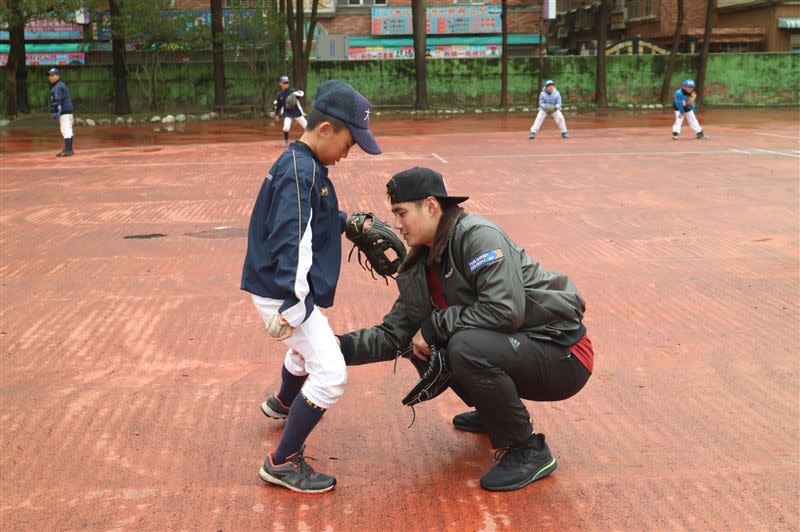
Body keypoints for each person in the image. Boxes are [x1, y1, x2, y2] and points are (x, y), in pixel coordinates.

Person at [337, 167, 594, 492]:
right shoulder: (420, 263)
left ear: (430, 205)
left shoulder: (477, 236)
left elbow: (505, 310)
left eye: (401, 213)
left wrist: (434, 327)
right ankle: (494, 412)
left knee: (463, 345)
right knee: (432, 342)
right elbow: (394, 335)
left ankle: (527, 450)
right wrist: (334, 349)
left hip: (564, 353)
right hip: (522, 347)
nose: (397, 225)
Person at [242, 80, 382, 493]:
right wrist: (295, 306)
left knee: (306, 350)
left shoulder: (303, 164)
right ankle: (281, 462)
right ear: (325, 130)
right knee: (331, 372)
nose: (348, 152)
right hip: (284, 292)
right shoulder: (301, 172)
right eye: (349, 143)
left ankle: (284, 402)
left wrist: (344, 223)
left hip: (282, 288)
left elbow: (309, 219)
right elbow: (291, 238)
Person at [48, 68, 75, 157]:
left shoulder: (58, 86)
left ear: (58, 76)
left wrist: (54, 113)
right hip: (68, 111)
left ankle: (68, 150)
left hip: (64, 112)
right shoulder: (60, 85)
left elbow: (57, 101)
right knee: (69, 130)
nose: (50, 77)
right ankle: (69, 149)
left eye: (53, 75)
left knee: (65, 130)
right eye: (50, 75)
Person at [274, 75, 307, 146]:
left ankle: (310, 141)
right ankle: (286, 141)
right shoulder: (279, 95)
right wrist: (276, 114)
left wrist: (298, 94)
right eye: (284, 83)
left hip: (296, 112)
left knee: (306, 126)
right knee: (286, 127)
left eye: (287, 83)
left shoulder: (292, 91)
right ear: (280, 84)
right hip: (287, 113)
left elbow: (301, 94)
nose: (286, 84)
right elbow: (279, 105)